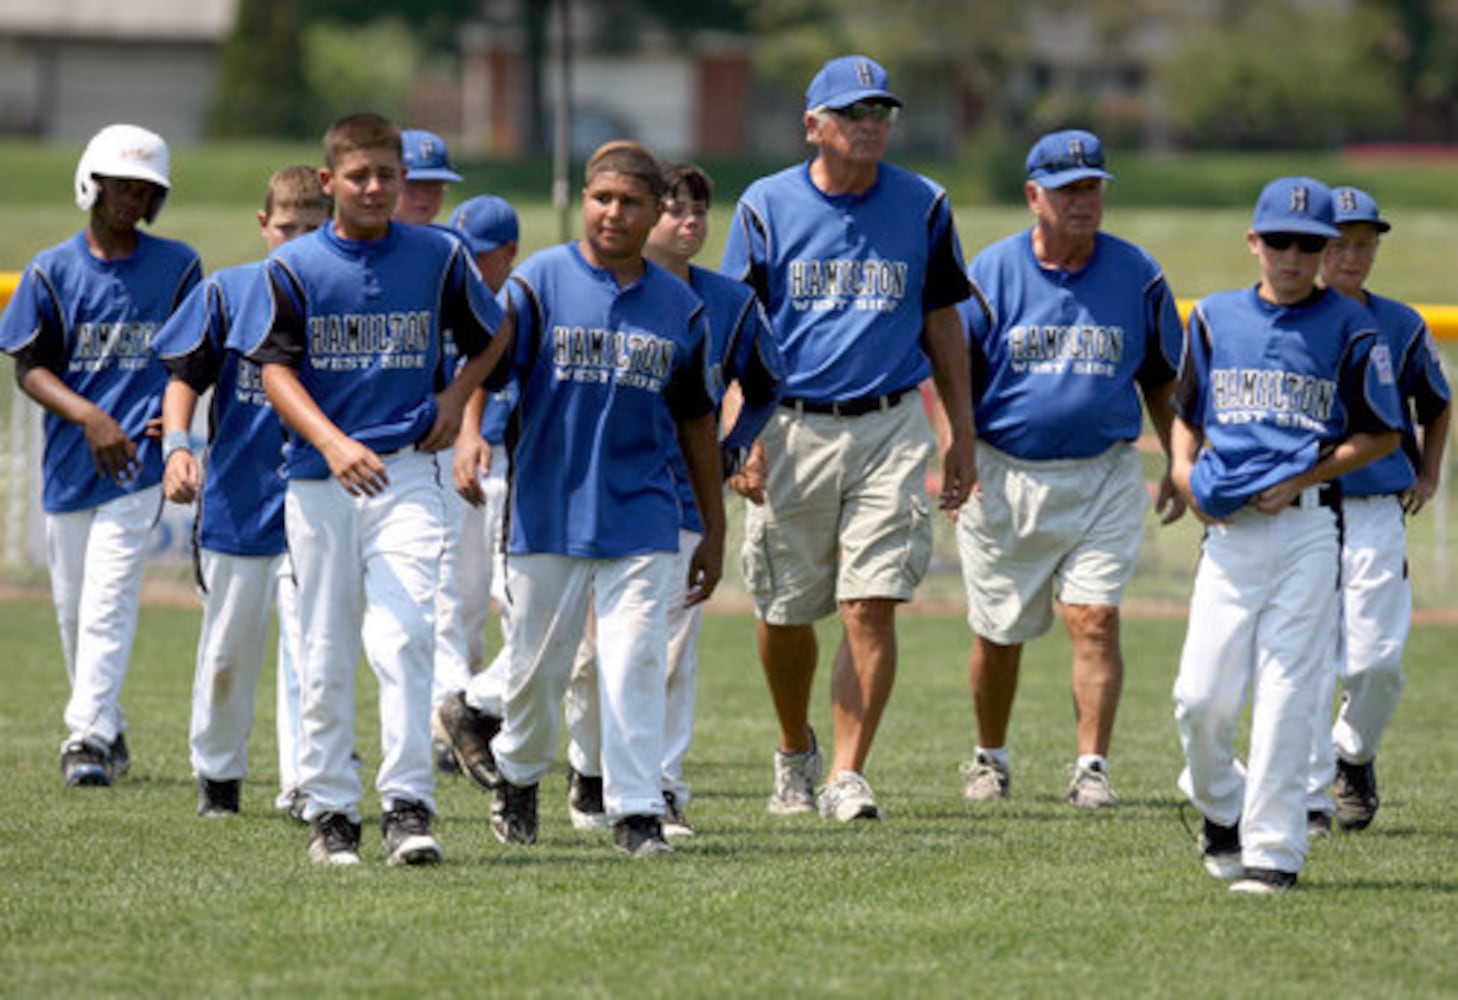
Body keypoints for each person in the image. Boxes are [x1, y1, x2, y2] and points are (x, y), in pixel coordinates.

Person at [244, 113, 510, 866]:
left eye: (386, 175)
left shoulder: (437, 255)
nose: (373, 188)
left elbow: (495, 332)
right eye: (358, 176)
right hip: (319, 479)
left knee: (406, 638)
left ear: (401, 179)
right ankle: (332, 811)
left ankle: (407, 806)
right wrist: (331, 442)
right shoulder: (295, 266)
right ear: (329, 182)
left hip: (407, 473)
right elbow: (275, 370)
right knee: (323, 650)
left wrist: (457, 402)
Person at [451, 140, 725, 859]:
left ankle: (635, 810)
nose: (614, 212)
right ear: (584, 199)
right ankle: (517, 775)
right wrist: (469, 431)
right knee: (540, 674)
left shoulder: (680, 309)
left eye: (631, 202)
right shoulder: (539, 282)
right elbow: (491, 363)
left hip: (643, 511)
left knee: (635, 660)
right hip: (548, 511)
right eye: (602, 198)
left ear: (654, 211)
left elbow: (698, 420)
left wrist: (716, 528)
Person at [720, 54, 976, 822]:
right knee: (787, 611)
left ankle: (846, 773)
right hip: (791, 421)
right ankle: (793, 752)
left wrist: (958, 428)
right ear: (813, 126)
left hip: (891, 424)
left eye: (880, 113)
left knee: (871, 604)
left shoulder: (924, 204)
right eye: (853, 113)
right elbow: (736, 324)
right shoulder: (765, 205)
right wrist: (743, 425)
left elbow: (941, 320)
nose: (870, 126)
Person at [1171, 176, 1402, 895]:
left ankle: (1274, 851)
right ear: (1254, 243)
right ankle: (1219, 807)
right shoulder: (1212, 318)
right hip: (1230, 534)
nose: (1293, 256)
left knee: (1287, 693)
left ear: (1327, 249)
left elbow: (1383, 431)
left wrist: (1304, 478)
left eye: (1310, 244)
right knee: (1199, 698)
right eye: (1279, 240)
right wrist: (1182, 473)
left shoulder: (1353, 327)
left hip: (1308, 529)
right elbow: (1185, 410)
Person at [954, 129, 1185, 809]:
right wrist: (957, 450)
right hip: (1004, 472)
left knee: (1095, 619)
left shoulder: (1137, 273)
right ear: (1033, 196)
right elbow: (954, 374)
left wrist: (1178, 457)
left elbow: (1163, 380)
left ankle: (1091, 767)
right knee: (999, 634)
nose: (1082, 201)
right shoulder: (990, 274)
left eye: (1091, 188)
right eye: (1065, 190)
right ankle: (989, 757)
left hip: (1104, 475)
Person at [558, 161, 785, 836]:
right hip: (592, 493)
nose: (689, 222)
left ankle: (662, 786)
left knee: (667, 650)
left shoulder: (724, 301)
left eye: (699, 211)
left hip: (681, 496)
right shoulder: (590, 290)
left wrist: (736, 443)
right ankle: (589, 771)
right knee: (588, 654)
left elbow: (767, 383)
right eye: (675, 209)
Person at [0, 123, 202, 787]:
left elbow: (188, 358)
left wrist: (166, 425)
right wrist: (89, 415)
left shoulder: (178, 266)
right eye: (121, 183)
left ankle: (84, 738)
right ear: (91, 181)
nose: (132, 197)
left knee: (110, 598)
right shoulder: (52, 271)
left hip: (138, 464)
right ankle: (107, 726)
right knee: (73, 611)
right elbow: (28, 366)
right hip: (70, 463)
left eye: (146, 188)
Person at [151, 165, 330, 818]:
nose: (300, 239)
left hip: (320, 506)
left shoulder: (339, 295)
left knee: (313, 649)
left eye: (315, 228)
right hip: (238, 505)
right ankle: (218, 775)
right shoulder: (229, 292)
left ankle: (306, 781)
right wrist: (176, 446)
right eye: (288, 227)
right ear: (264, 226)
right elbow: (183, 379)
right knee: (229, 649)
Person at [1304, 187, 1451, 837]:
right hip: (1300, 509)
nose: (1352, 255)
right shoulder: (1283, 318)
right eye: (1338, 242)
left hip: (1373, 508)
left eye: (1364, 243)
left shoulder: (1400, 323)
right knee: (1301, 652)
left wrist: (1429, 471)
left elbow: (1436, 403)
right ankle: (1307, 789)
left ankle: (1352, 753)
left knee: (1378, 662)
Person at [431, 195, 521, 789]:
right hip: (451, 463)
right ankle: (448, 722)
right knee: (452, 601)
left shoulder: (519, 302)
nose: (467, 261)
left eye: (479, 253)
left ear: (508, 254)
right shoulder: (448, 303)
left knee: (515, 599)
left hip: (511, 465)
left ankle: (489, 713)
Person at [392, 128, 475, 773]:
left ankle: (444, 714)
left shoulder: (450, 253)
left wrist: (464, 417)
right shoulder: (343, 250)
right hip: (352, 449)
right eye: (415, 184)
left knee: (437, 587)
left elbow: (484, 344)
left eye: (435, 187)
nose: (425, 197)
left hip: (434, 440)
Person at [394, 128, 463, 225]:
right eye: (412, 184)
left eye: (432, 184)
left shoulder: (449, 239)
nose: (422, 195)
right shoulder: (368, 238)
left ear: (444, 189)